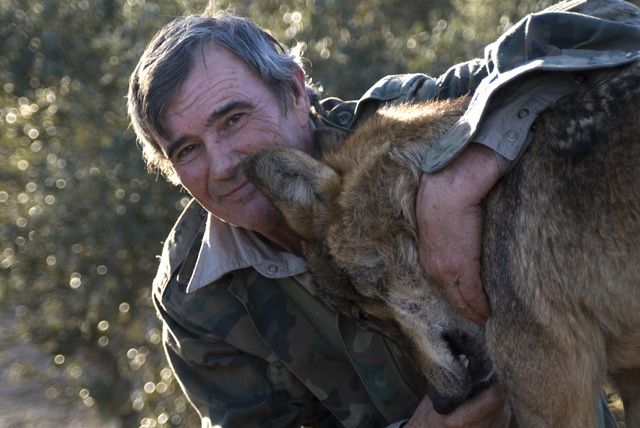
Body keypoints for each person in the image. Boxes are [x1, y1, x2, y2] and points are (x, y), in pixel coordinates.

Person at [127, 0, 640, 426]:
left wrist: (469, 166)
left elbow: (612, 22)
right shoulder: (191, 295)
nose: (222, 166)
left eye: (234, 119)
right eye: (187, 151)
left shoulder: (409, 119)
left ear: (294, 90)